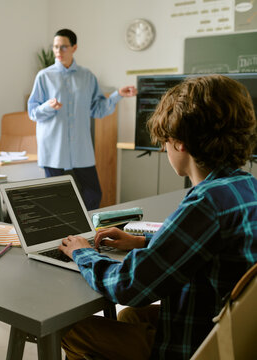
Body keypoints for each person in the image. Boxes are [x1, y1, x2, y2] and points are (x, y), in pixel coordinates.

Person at [58, 74, 257, 360]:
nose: (163, 148)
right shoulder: (246, 185)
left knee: (69, 329)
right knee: (131, 317)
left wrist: (83, 252)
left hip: (197, 346)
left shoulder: (205, 203)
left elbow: (129, 284)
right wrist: (141, 241)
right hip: (229, 329)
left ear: (181, 143)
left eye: (165, 141)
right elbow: (207, 244)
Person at [28, 28, 137, 210]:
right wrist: (48, 106)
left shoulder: (87, 77)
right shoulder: (44, 77)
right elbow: (32, 112)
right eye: (55, 47)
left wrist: (117, 95)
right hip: (54, 151)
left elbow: (98, 110)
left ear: (74, 47)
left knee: (93, 195)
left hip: (81, 151)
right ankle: (62, 238)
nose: (58, 52)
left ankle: (84, 236)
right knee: (57, 202)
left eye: (63, 47)